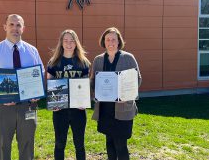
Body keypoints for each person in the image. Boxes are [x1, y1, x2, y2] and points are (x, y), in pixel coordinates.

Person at [0, 14, 44, 160]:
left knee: (27, 146)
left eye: (18, 25)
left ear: (23, 28)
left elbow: (40, 73)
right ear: (5, 27)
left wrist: (38, 91)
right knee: (1, 147)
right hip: (3, 108)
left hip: (28, 107)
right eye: (12, 24)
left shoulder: (32, 51)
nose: (15, 28)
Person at [90, 27, 142, 160]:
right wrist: (84, 90)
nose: (110, 42)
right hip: (105, 109)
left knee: (121, 145)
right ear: (104, 41)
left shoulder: (128, 58)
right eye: (108, 39)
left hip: (122, 108)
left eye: (114, 39)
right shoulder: (98, 60)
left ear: (119, 41)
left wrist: (126, 96)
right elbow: (93, 82)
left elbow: (137, 80)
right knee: (109, 143)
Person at [47, 29, 91, 160]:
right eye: (65, 40)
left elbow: (86, 85)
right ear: (61, 43)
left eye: (72, 41)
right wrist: (52, 102)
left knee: (80, 145)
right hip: (60, 109)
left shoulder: (83, 62)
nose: (69, 44)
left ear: (76, 43)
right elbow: (49, 83)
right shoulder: (54, 62)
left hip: (78, 110)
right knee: (60, 144)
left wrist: (84, 101)